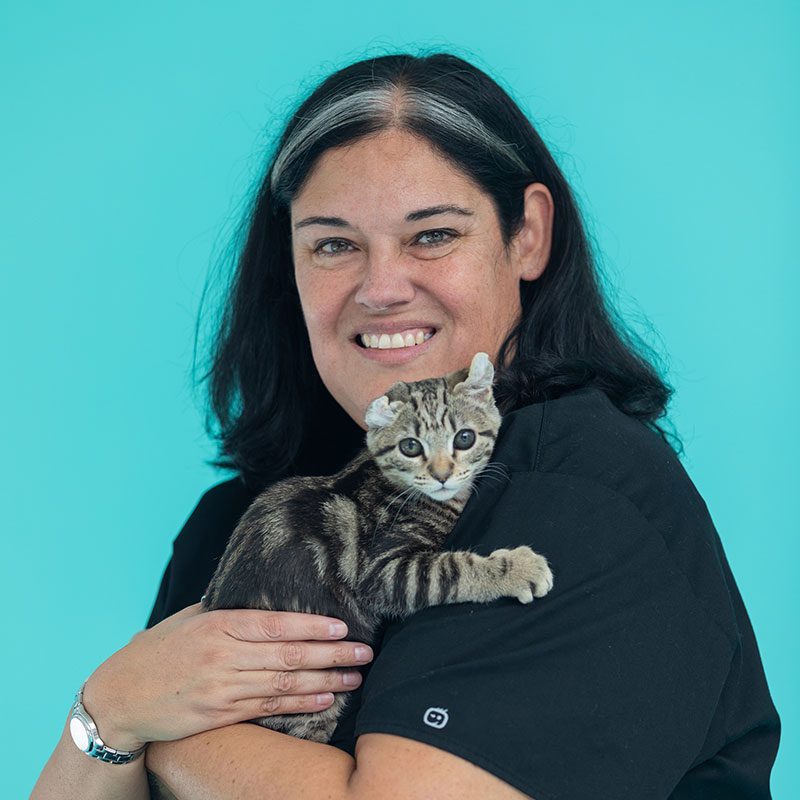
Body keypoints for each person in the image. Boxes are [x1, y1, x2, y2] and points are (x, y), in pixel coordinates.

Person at [32, 51, 780, 800]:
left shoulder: (576, 498)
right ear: (286, 266)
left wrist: (153, 734)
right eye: (333, 244)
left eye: (432, 236)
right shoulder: (241, 520)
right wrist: (110, 712)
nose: (382, 288)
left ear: (528, 237)